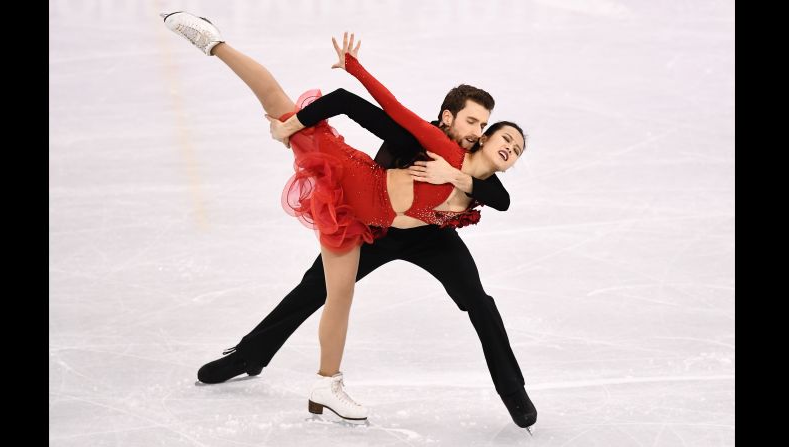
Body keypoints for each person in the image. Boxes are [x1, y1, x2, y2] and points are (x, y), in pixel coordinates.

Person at [161, 11, 536, 432]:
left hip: (430, 236)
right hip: (375, 227)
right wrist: (295, 123)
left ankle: (513, 390)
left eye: (483, 125)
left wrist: (458, 177)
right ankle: (251, 354)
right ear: (447, 117)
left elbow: (498, 197)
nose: (476, 130)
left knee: (478, 301)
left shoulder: (478, 171)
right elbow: (356, 104)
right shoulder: (417, 139)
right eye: (472, 122)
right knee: (314, 288)